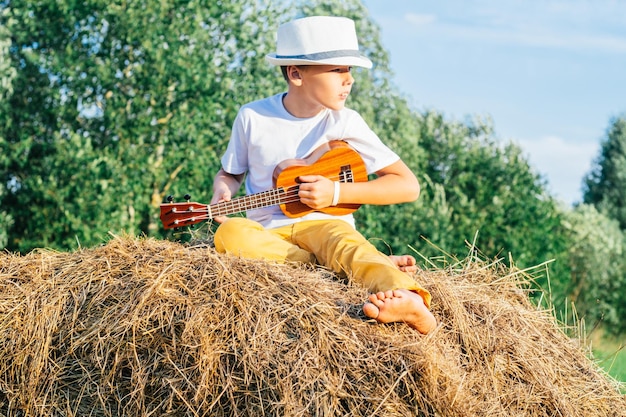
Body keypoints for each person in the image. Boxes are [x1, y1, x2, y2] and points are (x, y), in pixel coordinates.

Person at [210, 16, 436, 334]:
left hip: (327, 225)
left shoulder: (345, 122)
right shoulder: (253, 117)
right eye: (337, 69)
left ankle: (411, 300)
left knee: (346, 244)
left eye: (349, 70)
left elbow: (407, 186)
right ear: (296, 73)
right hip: (269, 234)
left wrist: (336, 194)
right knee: (231, 234)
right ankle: (349, 266)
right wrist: (223, 190)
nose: (349, 80)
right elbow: (230, 173)